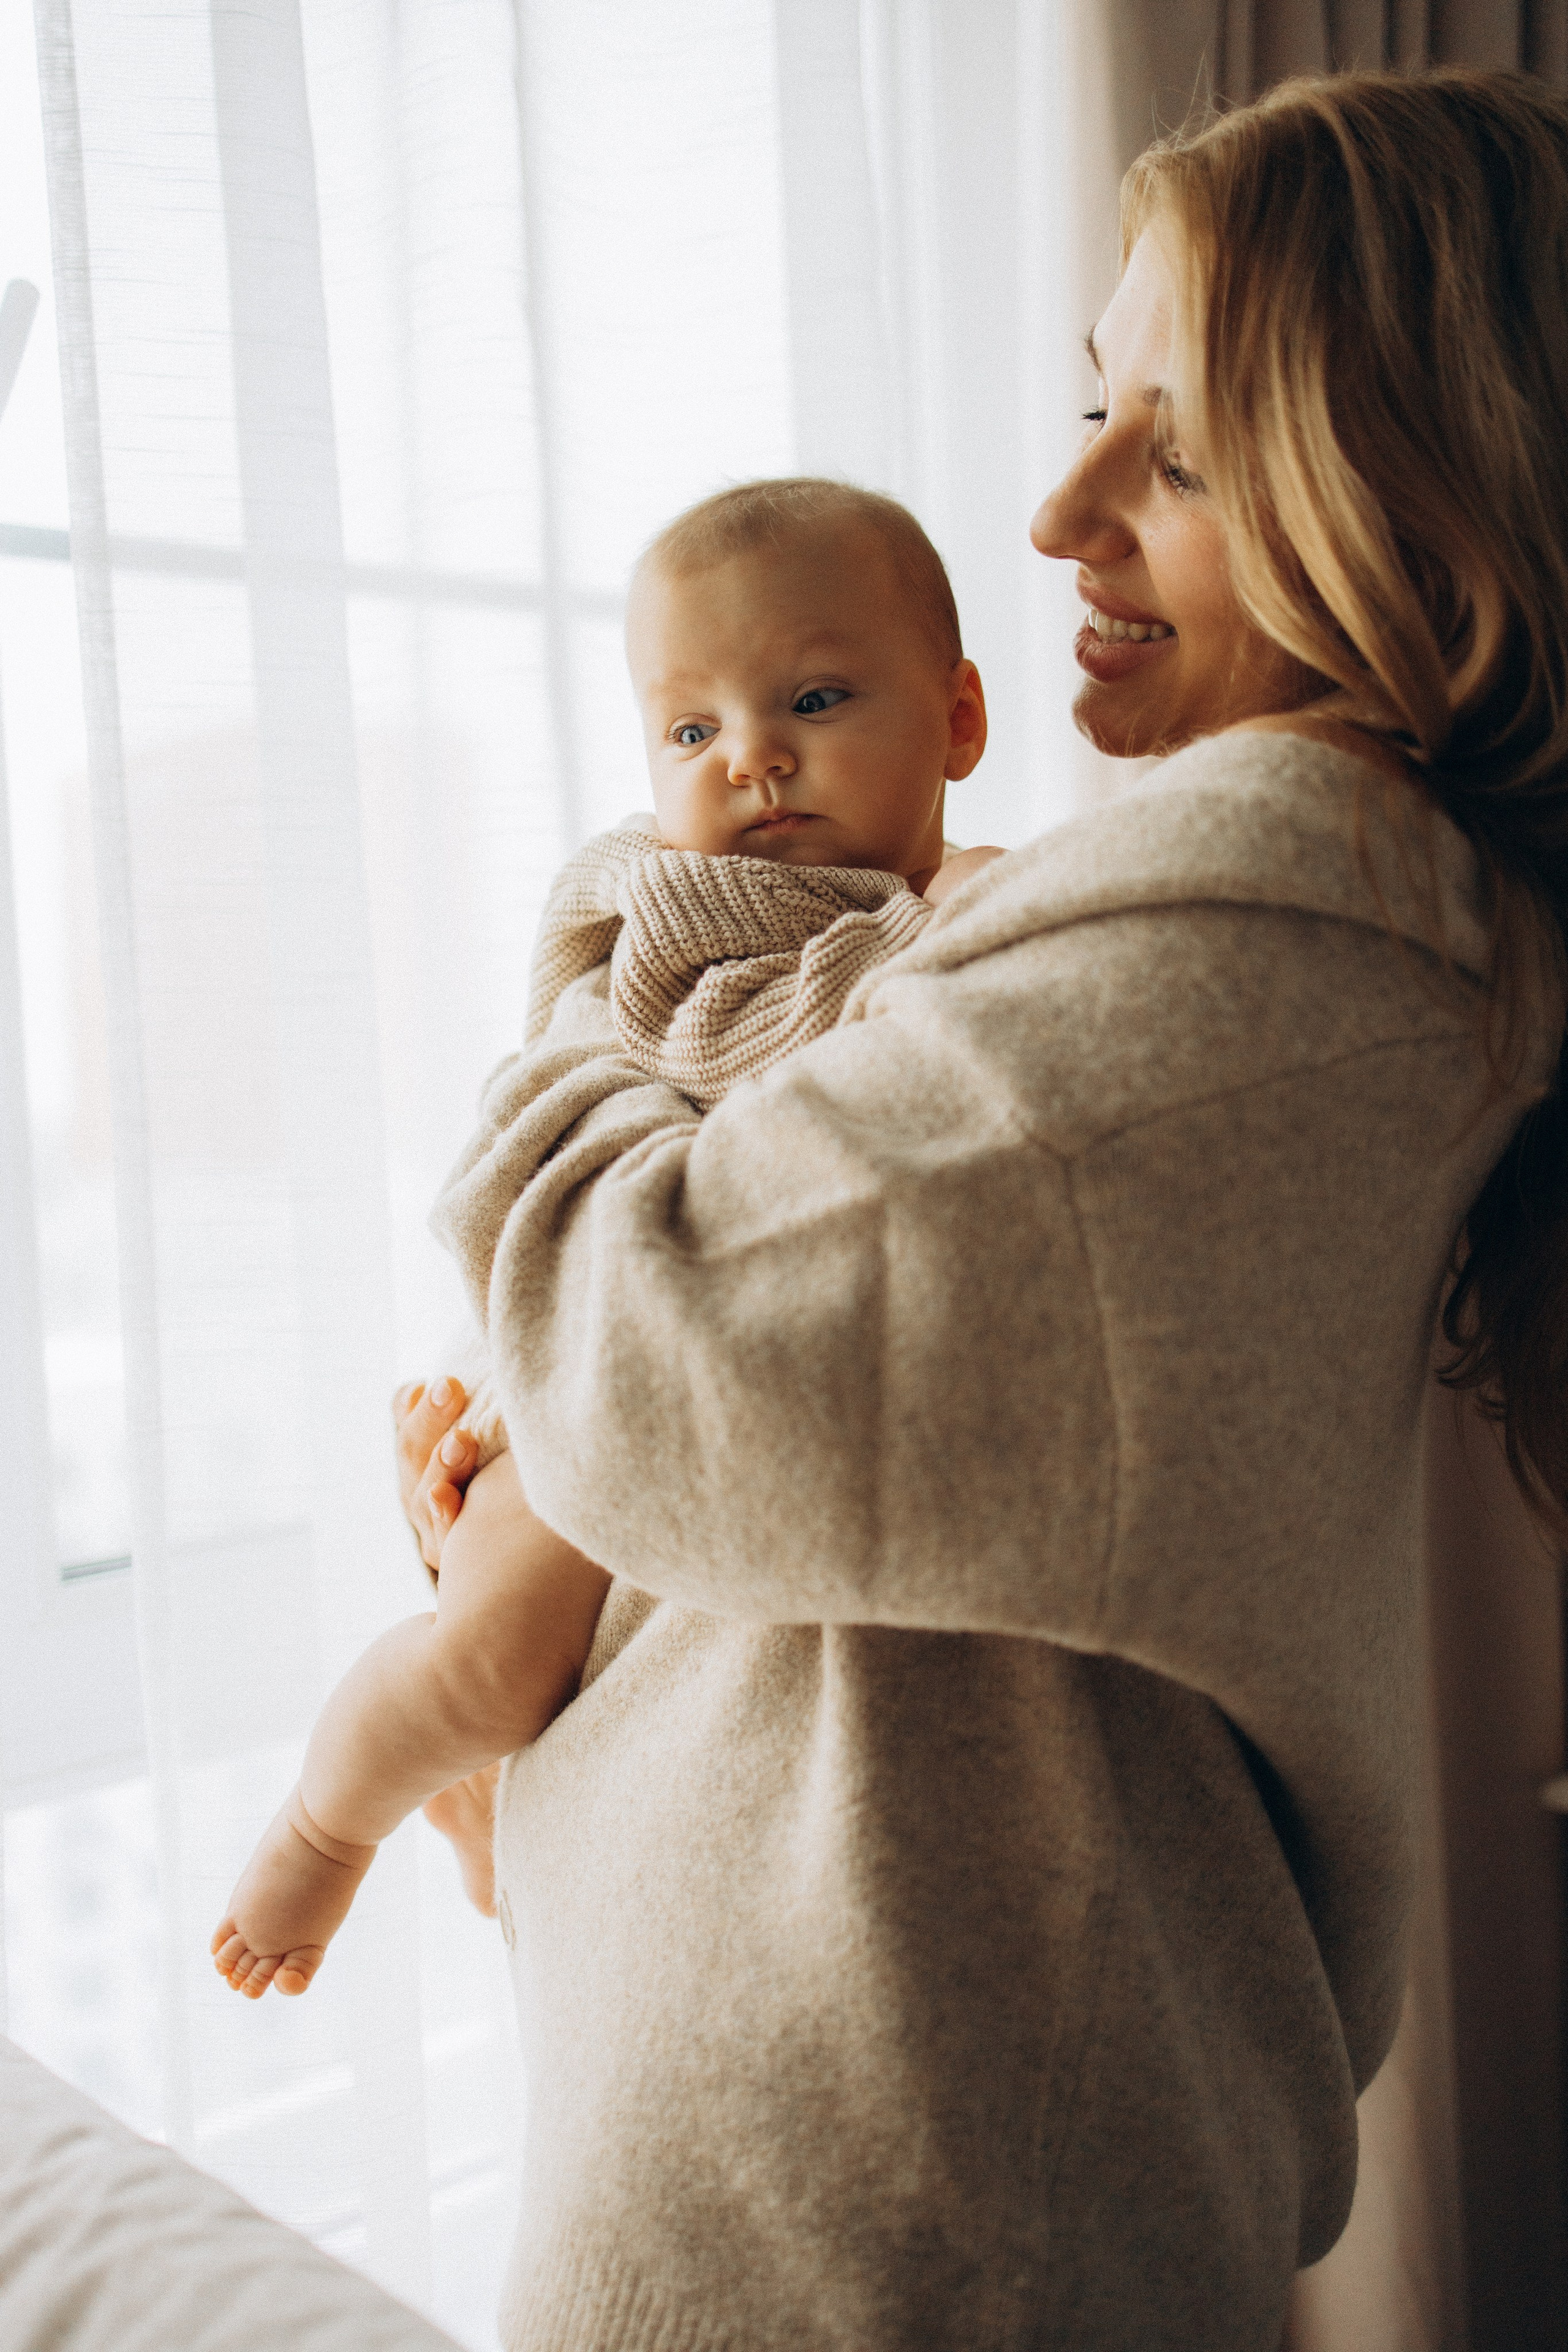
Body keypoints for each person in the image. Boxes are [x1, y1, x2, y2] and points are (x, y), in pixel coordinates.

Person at [399, 67, 1568, 2352]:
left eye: (1184, 451)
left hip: (902, 2229)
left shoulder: (1293, 906)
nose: (1056, 512)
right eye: (1089, 405)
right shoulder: (1164, 920)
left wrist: (599, 950)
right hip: (852, 2161)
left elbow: (654, 1356)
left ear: (1416, 510)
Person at [209, 481, 997, 1996]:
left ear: (956, 719)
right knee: (495, 1658)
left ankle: (485, 1830)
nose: (752, 757)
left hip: (720, 1344)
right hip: (575, 1322)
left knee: (552, 1688)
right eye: (690, 731)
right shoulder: (662, 914)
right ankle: (335, 1812)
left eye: (814, 699)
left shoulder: (975, 918)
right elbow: (554, 1097)